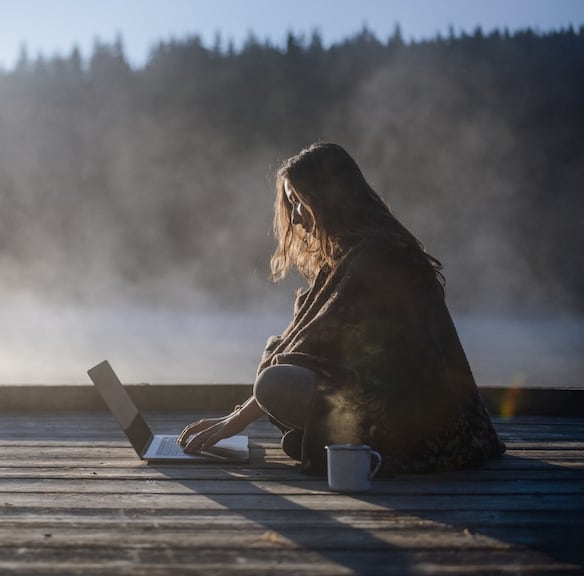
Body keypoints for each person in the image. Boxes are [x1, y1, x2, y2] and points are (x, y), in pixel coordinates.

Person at [178, 142, 505, 474]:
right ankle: (330, 442)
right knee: (275, 369)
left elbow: (316, 348)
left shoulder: (378, 257)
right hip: (389, 402)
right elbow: (302, 346)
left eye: (298, 202)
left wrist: (233, 423)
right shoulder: (352, 253)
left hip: (419, 424)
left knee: (273, 384)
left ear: (328, 198)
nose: (294, 218)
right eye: (290, 204)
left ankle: (361, 448)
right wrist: (232, 417)